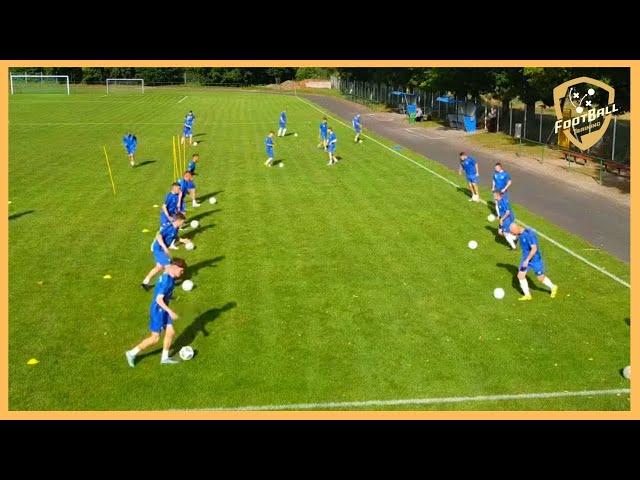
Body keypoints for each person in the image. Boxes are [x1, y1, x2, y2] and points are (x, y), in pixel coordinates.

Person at [126, 258, 187, 367]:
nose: (182, 273)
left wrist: (171, 297)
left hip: (163, 308)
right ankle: (131, 353)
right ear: (174, 267)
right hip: (158, 310)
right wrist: (170, 311)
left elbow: (162, 293)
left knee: (171, 331)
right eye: (181, 270)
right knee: (155, 338)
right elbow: (159, 299)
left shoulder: (169, 276)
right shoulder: (167, 281)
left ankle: (164, 358)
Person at [509, 223, 559, 301]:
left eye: (512, 232)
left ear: (517, 229)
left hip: (535, 260)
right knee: (520, 276)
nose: (512, 233)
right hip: (525, 259)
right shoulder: (519, 233)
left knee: (540, 278)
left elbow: (534, 249)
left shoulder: (529, 235)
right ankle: (527, 295)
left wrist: (527, 260)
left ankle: (553, 287)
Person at [141, 214, 191, 291]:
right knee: (169, 268)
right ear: (178, 220)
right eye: (182, 222)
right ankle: (164, 288)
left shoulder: (176, 228)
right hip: (159, 249)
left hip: (161, 249)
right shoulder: (169, 227)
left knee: (159, 267)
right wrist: (164, 247)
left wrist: (183, 240)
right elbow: (158, 236)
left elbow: (175, 237)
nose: (183, 224)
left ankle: (145, 283)